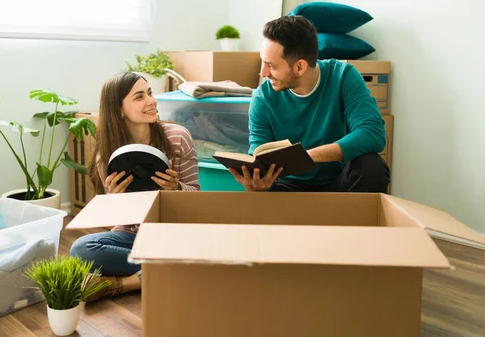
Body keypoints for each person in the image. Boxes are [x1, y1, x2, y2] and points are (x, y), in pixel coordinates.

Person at [70, 71, 200, 302]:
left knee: (195, 247)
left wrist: (176, 189)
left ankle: (122, 283)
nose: (151, 101)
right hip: (135, 235)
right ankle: (172, 267)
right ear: (119, 109)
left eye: (149, 93)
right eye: (139, 97)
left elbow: (197, 198)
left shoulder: (178, 137)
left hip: (175, 231)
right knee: (81, 249)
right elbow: (123, 221)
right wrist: (116, 198)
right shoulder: (107, 156)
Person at [228, 15, 390, 193]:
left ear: (299, 67)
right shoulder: (263, 97)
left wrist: (306, 157)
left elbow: (372, 133)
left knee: (372, 166)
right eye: (262, 62)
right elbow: (258, 151)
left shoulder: (343, 76)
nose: (263, 73)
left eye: (271, 66)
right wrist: (256, 183)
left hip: (337, 184)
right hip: (287, 188)